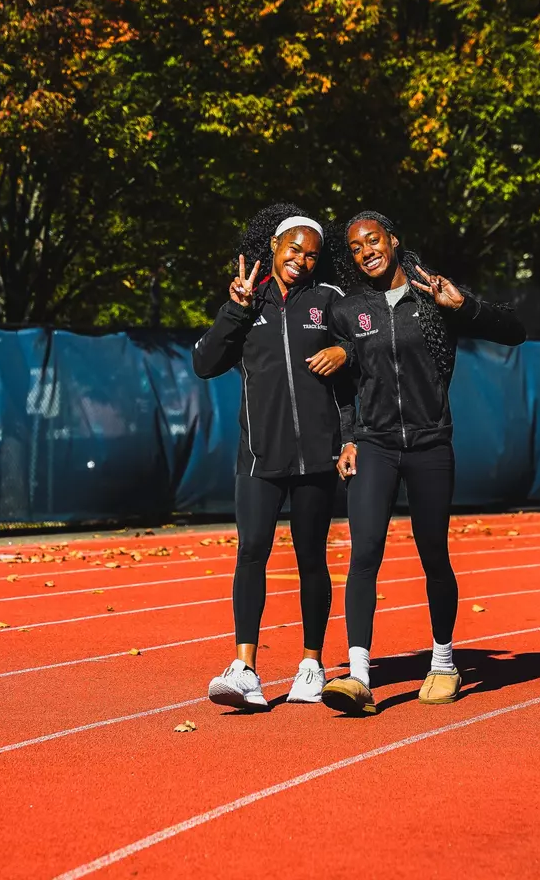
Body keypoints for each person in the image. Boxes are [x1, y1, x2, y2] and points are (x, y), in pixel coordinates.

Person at [320, 211, 525, 715]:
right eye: (355, 247)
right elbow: (343, 387)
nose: (366, 250)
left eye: (373, 240)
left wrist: (466, 306)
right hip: (375, 445)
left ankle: (443, 661)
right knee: (363, 553)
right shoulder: (350, 311)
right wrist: (347, 438)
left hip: (431, 445)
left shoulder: (430, 298)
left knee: (433, 554)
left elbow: (515, 330)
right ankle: (360, 676)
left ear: (393, 240)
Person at [193, 203, 350, 710]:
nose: (300, 260)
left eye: (311, 254)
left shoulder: (330, 301)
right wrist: (235, 309)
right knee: (251, 554)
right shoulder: (248, 300)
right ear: (274, 248)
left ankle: (311, 664)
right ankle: (245, 670)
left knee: (311, 559)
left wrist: (346, 351)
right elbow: (205, 362)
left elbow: (367, 350)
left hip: (317, 460)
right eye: (292, 249)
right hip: (259, 457)